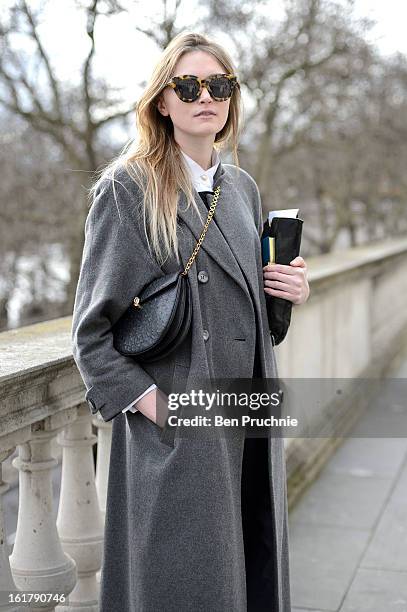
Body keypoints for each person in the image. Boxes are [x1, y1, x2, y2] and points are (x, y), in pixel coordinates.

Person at [71, 31, 309, 612]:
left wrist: (286, 292)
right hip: (183, 439)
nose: (206, 96)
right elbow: (91, 336)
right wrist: (164, 413)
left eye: (219, 84)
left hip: (249, 419)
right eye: (189, 85)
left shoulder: (241, 189)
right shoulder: (128, 190)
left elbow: (248, 320)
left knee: (248, 575)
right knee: (184, 589)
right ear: (163, 101)